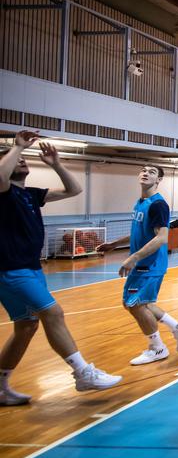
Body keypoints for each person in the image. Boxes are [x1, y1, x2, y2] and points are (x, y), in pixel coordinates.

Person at [1, 130, 122, 401]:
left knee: (26, 327)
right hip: (12, 270)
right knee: (53, 313)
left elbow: (74, 190)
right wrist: (17, 147)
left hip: (31, 268)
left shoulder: (31, 194)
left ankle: (0, 386)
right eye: (15, 160)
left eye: (22, 158)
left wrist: (56, 164)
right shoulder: (3, 192)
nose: (21, 161)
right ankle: (82, 373)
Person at [96, 165, 178, 366]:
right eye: (143, 170)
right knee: (142, 304)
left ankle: (157, 348)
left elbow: (162, 238)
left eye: (152, 172)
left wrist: (133, 258)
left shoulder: (158, 205)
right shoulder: (141, 203)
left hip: (150, 263)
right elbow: (140, 233)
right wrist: (114, 245)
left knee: (134, 303)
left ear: (159, 180)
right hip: (143, 262)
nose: (145, 172)